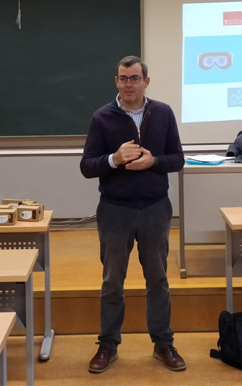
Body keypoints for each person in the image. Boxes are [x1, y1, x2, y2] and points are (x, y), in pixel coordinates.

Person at [80, 55, 185, 374]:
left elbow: (177, 159)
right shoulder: (102, 117)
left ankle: (163, 343)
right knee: (113, 280)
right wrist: (113, 159)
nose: (129, 84)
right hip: (115, 210)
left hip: (155, 208)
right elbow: (87, 166)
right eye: (123, 78)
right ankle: (108, 344)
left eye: (135, 78)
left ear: (146, 81)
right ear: (116, 81)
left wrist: (154, 162)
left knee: (158, 279)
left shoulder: (163, 112)